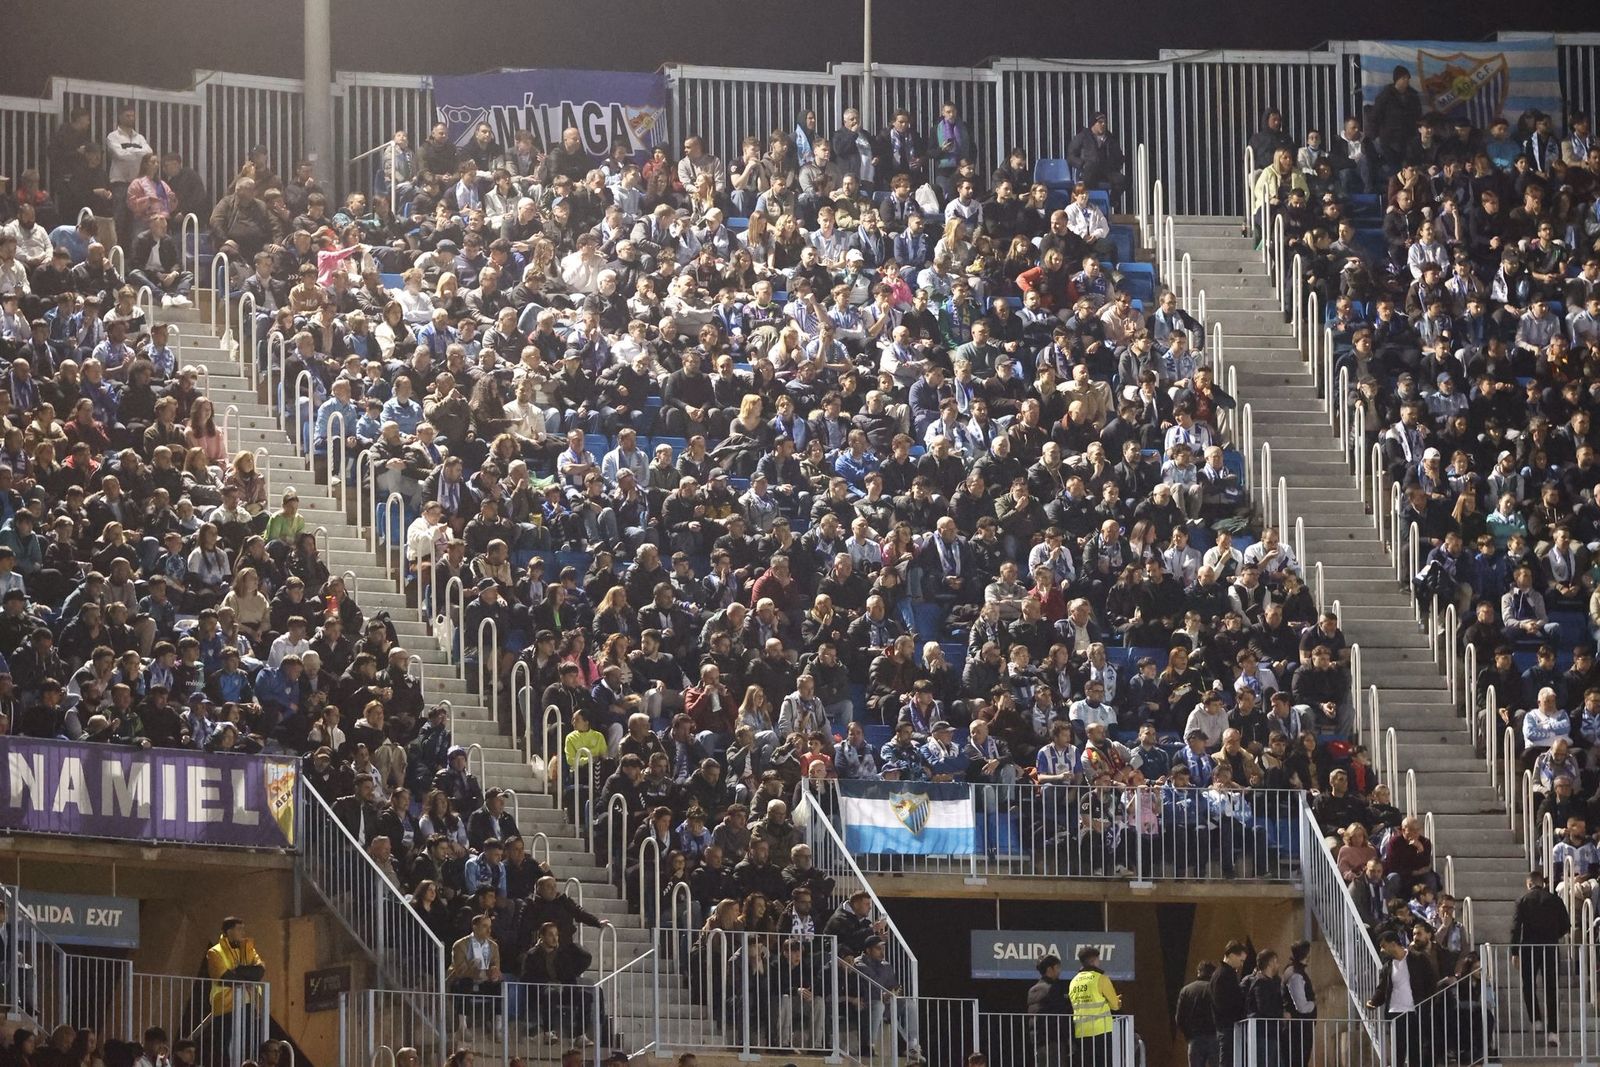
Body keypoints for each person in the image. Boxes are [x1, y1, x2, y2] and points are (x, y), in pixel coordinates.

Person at [1511, 870, 1569, 1048]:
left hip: (1529, 948)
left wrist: (1514, 952)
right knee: (1551, 988)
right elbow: (1566, 925)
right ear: (1542, 884)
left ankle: (1536, 1019)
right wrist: (1553, 936)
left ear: (1529, 884)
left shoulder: (1523, 900)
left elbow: (1516, 927)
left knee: (1528, 984)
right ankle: (1553, 1032)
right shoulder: (1555, 900)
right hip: (1550, 947)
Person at [1367, 930, 1437, 1067]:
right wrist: (1373, 1001)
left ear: (1393, 944)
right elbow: (1382, 988)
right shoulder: (1388, 966)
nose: (1382, 950)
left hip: (1414, 1011)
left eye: (1384, 946)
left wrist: (1427, 1002)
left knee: (1414, 1048)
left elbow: (1430, 982)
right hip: (1395, 1012)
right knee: (1397, 1049)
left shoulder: (1418, 959)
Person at [205, 917, 265, 1060]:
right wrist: (247, 976)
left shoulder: (248, 949)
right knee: (224, 1045)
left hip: (248, 1003)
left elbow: (259, 971)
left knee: (249, 1043)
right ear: (229, 931)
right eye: (239, 929)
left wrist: (238, 970)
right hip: (225, 1005)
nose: (243, 932)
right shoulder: (215, 952)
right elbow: (224, 977)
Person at [1067, 944, 1121, 1066]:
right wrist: (1117, 1001)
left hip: (1081, 1032)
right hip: (1102, 1030)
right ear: (1094, 961)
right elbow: (1115, 1006)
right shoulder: (1101, 979)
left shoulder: (1073, 982)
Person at [1026, 952, 1070, 1066]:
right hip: (1054, 1040)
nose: (1059, 971)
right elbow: (1061, 1015)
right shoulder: (1053, 989)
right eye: (1057, 967)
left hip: (1038, 1040)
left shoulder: (1032, 990)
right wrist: (1068, 1039)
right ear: (1050, 969)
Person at [1210, 941, 1248, 1066]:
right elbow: (1224, 1003)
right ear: (1231, 955)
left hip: (1226, 1026)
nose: (1242, 964)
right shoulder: (1225, 975)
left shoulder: (1221, 974)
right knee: (1229, 1061)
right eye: (1241, 960)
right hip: (1228, 1027)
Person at [1174, 961, 1217, 1067]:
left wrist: (1188, 1035)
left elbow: (1179, 1018)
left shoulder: (1186, 990)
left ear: (1198, 972)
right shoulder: (1215, 989)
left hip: (1194, 1038)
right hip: (1214, 1036)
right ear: (1213, 973)